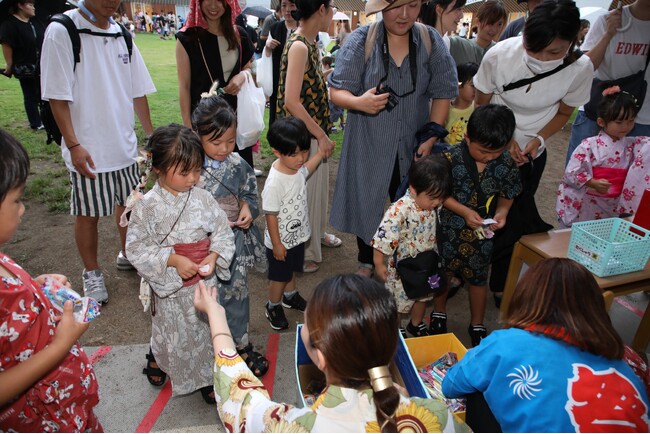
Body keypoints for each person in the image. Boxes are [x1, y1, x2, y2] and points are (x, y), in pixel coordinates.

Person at [194, 274, 471, 432]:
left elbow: (240, 399)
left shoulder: (297, 427)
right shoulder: (439, 418)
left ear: (321, 358)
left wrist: (217, 316)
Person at [473, 0, 593, 307]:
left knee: (511, 218)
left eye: (554, 53)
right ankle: (467, 272)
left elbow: (565, 111)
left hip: (530, 154)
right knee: (478, 212)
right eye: (534, 48)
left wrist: (539, 139)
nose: (541, 59)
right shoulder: (500, 55)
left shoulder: (580, 68)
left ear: (573, 40)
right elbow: (482, 104)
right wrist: (504, 139)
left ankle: (501, 282)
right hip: (493, 141)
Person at [441, 258, 650, 433]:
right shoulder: (630, 360)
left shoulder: (507, 343)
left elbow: (450, 385)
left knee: (477, 390)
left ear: (526, 299)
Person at [329, 0, 457, 278]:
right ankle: (366, 259)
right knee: (368, 200)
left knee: (414, 204)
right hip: (369, 141)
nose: (404, 15)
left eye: (412, 5)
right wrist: (360, 102)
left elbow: (443, 92)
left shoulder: (429, 39)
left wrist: (431, 136)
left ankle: (406, 259)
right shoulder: (362, 40)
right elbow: (337, 91)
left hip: (414, 145)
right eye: (396, 6)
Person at [40, 0, 156, 304]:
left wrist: (149, 134)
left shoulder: (123, 34)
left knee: (128, 207)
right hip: (88, 149)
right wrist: (74, 145)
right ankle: (91, 273)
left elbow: (137, 90)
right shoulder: (62, 30)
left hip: (124, 145)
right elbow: (56, 96)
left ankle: (130, 255)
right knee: (87, 213)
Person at [0, 129, 102, 432]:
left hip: (65, 404)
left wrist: (34, 284)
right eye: (16, 200)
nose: (23, 208)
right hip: (40, 419)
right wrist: (60, 346)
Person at [125, 124, 235, 402]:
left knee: (204, 331)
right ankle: (158, 358)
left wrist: (213, 255)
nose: (193, 178)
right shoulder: (147, 206)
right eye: (185, 172)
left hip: (203, 282)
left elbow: (222, 230)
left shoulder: (203, 198)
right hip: (172, 287)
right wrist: (173, 260)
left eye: (197, 170)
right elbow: (136, 248)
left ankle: (207, 377)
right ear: (159, 168)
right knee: (173, 333)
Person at [191, 90, 269, 377]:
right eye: (215, 142)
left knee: (236, 295)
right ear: (197, 135)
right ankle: (208, 351)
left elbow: (249, 190)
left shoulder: (238, 165)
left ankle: (239, 344)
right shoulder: (189, 168)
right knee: (204, 297)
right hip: (201, 246)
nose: (224, 148)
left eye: (230, 141)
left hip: (233, 245)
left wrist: (247, 207)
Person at [433, 104, 521, 347]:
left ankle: (477, 323)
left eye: (496, 151)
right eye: (483, 151)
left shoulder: (506, 163)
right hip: (448, 230)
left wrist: (502, 212)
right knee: (443, 273)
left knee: (479, 279)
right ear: (467, 137)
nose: (489, 157)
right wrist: (463, 210)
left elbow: (508, 194)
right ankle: (438, 312)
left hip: (482, 235)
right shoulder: (449, 158)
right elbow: (439, 193)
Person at [276, 0, 339, 274]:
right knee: (304, 194)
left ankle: (316, 236)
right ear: (321, 9)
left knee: (316, 190)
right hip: (303, 135)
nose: (334, 12)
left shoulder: (309, 43)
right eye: (333, 6)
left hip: (310, 131)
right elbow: (291, 101)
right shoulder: (301, 44)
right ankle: (303, 250)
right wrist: (321, 134)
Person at [372, 155, 452, 338]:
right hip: (403, 267)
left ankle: (416, 324)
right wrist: (379, 263)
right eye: (432, 198)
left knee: (423, 295)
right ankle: (396, 327)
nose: (437, 203)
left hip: (426, 262)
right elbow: (382, 238)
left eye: (441, 198)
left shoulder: (432, 204)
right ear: (413, 190)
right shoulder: (399, 210)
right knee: (398, 301)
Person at [564, 0, 650, 167]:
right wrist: (609, 33)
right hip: (598, 112)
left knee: (630, 183)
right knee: (579, 172)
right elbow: (587, 67)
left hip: (642, 118)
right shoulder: (608, 20)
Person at [261, 117, 328, 330]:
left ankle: (289, 296)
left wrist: (319, 154)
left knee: (291, 271)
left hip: (297, 236)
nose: (300, 158)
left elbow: (305, 169)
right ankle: (273, 305)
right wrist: (277, 244)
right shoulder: (275, 182)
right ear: (277, 152)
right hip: (279, 242)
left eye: (304, 151)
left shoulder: (295, 168)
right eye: (294, 154)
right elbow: (270, 215)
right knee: (278, 278)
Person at [175, 0, 256, 168]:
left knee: (240, 177)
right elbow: (184, 86)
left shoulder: (239, 34)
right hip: (205, 126)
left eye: (219, 0)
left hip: (236, 122)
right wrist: (188, 128)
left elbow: (250, 68)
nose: (213, 5)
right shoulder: (187, 38)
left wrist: (242, 75)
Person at [557, 88, 642, 226]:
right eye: (619, 122)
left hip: (612, 203)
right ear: (601, 122)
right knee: (577, 234)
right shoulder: (589, 145)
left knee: (603, 234)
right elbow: (572, 172)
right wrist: (591, 182)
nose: (626, 126)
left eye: (631, 121)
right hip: (588, 200)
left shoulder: (633, 145)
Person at [0, 0, 44, 130]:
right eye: (30, 5)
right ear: (20, 5)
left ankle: (45, 118)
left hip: (41, 64)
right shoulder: (9, 24)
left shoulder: (35, 22)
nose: (33, 8)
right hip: (25, 66)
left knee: (42, 94)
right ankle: (36, 123)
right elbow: (6, 44)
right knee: (30, 94)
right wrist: (9, 65)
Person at [263, 0, 298, 127]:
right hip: (277, 80)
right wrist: (267, 46)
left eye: (292, 5)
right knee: (277, 118)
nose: (288, 9)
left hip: (298, 81)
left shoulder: (304, 28)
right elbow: (266, 55)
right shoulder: (275, 28)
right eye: (284, 5)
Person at [447, 0, 506, 66]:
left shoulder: (501, 51)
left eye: (499, 24)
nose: (494, 29)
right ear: (477, 22)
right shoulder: (457, 45)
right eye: (490, 23)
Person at [445, 62, 478, 145]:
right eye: (472, 85)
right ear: (458, 84)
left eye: (478, 86)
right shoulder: (444, 109)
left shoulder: (478, 109)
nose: (476, 90)